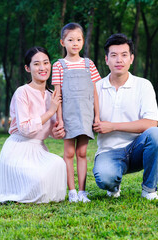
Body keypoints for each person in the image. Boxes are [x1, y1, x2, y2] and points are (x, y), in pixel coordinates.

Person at [0, 47, 67, 204]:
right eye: (36, 64)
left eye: (46, 63)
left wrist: (58, 132)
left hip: (39, 151)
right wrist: (51, 111)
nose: (42, 68)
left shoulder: (52, 96)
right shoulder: (22, 93)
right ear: (28, 68)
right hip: (17, 151)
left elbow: (50, 131)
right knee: (38, 180)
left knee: (59, 164)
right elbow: (25, 129)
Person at [92, 33, 158, 200]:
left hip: (137, 149)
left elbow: (151, 122)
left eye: (124, 55)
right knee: (105, 178)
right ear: (106, 60)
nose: (119, 60)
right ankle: (113, 184)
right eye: (114, 55)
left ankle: (149, 190)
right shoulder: (96, 88)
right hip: (108, 151)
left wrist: (112, 126)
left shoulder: (143, 85)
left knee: (156, 134)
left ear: (131, 59)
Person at [52, 23, 101, 203]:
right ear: (62, 42)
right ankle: (71, 192)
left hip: (86, 115)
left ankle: (82, 192)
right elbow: (57, 95)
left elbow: (95, 92)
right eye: (70, 40)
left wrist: (97, 115)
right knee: (69, 153)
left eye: (78, 40)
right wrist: (60, 120)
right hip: (68, 116)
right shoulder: (59, 66)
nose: (75, 43)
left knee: (82, 153)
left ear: (83, 41)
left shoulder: (89, 65)